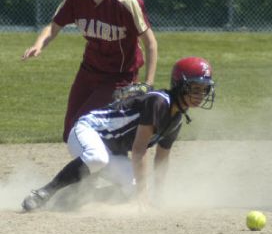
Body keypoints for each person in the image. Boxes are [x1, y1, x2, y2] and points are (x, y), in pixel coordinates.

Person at [22, 56, 215, 212]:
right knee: (98, 158)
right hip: (89, 130)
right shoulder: (158, 102)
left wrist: (158, 196)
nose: (200, 95)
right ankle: (44, 192)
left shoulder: (176, 118)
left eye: (204, 89)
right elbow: (139, 150)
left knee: (134, 188)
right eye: (194, 88)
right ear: (179, 85)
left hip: (112, 151)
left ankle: (75, 197)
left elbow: (162, 160)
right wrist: (143, 194)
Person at [21, 0, 158, 142]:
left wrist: (148, 84)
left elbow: (150, 43)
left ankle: (110, 165)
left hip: (120, 76)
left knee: (86, 126)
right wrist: (38, 44)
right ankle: (94, 166)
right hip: (89, 70)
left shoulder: (125, 0)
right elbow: (53, 28)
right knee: (70, 131)